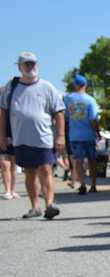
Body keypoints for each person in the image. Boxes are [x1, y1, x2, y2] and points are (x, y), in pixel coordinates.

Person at [0, 52, 64, 220]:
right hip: (21, 138)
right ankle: (35, 206)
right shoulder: (11, 87)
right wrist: (1, 135)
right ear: (19, 67)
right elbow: (3, 112)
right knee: (29, 172)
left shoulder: (47, 87)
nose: (30, 67)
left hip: (43, 137)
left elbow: (59, 114)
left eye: (33, 64)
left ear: (38, 65)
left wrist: (61, 136)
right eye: (27, 64)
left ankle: (49, 204)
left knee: (46, 169)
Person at [64, 74, 100, 195]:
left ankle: (82, 183)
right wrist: (97, 132)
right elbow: (93, 119)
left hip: (74, 135)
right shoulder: (90, 100)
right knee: (92, 160)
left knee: (78, 161)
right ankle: (93, 184)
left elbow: (65, 117)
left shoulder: (69, 98)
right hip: (89, 134)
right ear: (85, 85)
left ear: (75, 85)